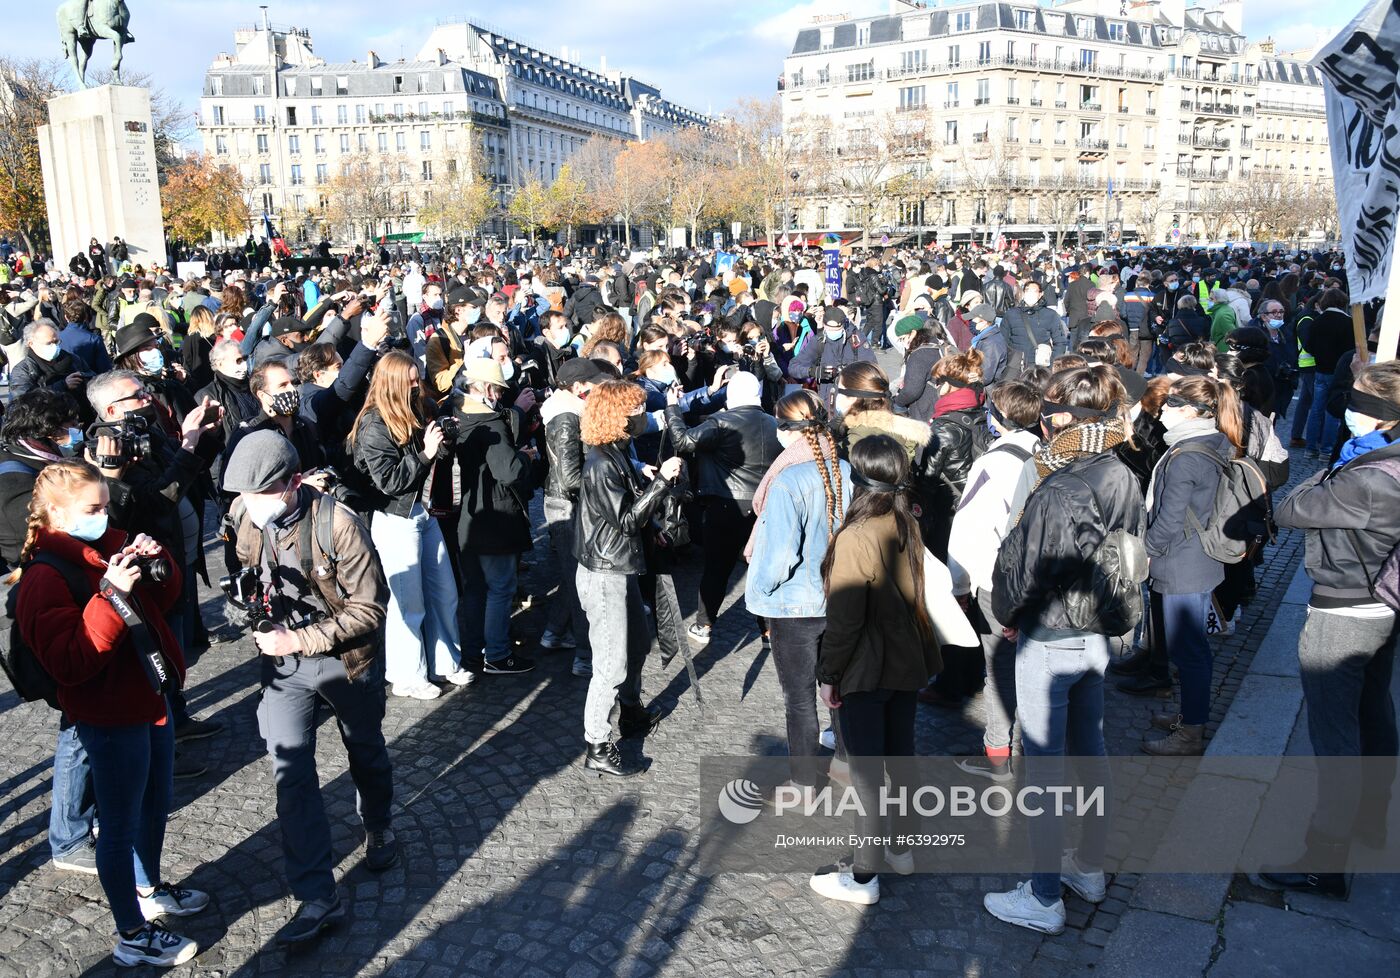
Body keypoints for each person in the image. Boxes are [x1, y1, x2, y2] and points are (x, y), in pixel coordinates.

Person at [17, 460, 208, 967]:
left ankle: (148, 886)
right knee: (119, 826)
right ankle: (130, 933)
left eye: (106, 506)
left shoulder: (106, 548)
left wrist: (157, 564)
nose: (104, 516)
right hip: (106, 713)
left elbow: (160, 603)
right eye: (92, 508)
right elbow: (70, 661)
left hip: (149, 697)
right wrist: (112, 594)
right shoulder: (44, 577)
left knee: (155, 803)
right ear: (56, 514)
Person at [224, 430, 397, 946]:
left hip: (346, 659)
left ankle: (380, 824)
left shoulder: (340, 525)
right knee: (291, 772)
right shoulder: (244, 515)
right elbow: (242, 568)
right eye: (243, 497)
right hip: (284, 668)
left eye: (262, 495)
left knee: (364, 747)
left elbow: (370, 608)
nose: (251, 508)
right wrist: (247, 603)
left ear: (293, 483)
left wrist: (298, 636)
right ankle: (317, 895)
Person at [985, 365, 1141, 935]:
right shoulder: (1120, 471)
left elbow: (1028, 573)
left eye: (1051, 413)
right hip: (1097, 632)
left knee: (1045, 768)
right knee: (1090, 750)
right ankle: (1089, 869)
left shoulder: (1060, 485)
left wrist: (1006, 613)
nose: (1045, 423)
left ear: (1068, 418)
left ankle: (1045, 894)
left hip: (1052, 636)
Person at [1265, 362, 1400, 897]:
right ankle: (1371, 819)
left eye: (1359, 404)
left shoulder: (1367, 476)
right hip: (1383, 605)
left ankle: (1325, 859)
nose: (1348, 411)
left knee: (1336, 737)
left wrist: (1332, 466)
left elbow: (1292, 507)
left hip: (1345, 610)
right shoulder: (1387, 464)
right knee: (1373, 715)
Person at [809, 435, 942, 906]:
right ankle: (902, 849)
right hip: (906, 660)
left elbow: (844, 621)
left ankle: (864, 878)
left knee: (867, 777)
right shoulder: (906, 521)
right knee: (900, 759)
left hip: (868, 667)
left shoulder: (855, 536)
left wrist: (828, 677)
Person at [574, 380, 685, 777]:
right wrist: (660, 483)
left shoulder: (619, 452)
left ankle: (632, 712)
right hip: (605, 573)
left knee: (637, 645)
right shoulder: (601, 463)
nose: (643, 414)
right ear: (619, 417)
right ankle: (597, 743)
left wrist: (652, 518)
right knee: (611, 663)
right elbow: (624, 520)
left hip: (620, 567)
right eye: (637, 409)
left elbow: (629, 515)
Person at [745, 391, 852, 796]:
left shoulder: (788, 478)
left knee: (800, 697)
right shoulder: (842, 467)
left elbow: (779, 555)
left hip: (794, 604)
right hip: (837, 596)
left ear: (786, 428)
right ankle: (844, 761)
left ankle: (806, 779)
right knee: (837, 687)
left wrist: (758, 591)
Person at [349, 351, 472, 700]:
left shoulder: (414, 409)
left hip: (422, 511)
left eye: (417, 378)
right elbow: (389, 481)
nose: (418, 385)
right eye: (411, 380)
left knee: (444, 591)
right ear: (392, 384)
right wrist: (426, 454)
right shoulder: (373, 425)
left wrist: (443, 443)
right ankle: (406, 675)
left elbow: (430, 459)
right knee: (409, 602)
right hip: (394, 518)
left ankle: (445, 661)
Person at [945, 380, 1044, 780]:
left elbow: (969, 527)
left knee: (998, 672)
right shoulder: (1044, 452)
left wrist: (959, 586)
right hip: (1036, 579)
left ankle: (999, 752)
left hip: (998, 580)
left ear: (999, 417)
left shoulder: (992, 462)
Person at [1140, 376, 1243, 756]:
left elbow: (1168, 520)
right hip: (1197, 558)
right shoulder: (1208, 440)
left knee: (1188, 651)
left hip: (1182, 562)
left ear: (1191, 411)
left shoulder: (1186, 457)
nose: (1162, 410)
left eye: (1170, 405)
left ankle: (1191, 731)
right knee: (1191, 648)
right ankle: (1189, 716)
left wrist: (1145, 552)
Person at [664, 369, 781, 648]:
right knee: (761, 568)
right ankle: (768, 630)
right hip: (765, 505)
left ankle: (704, 624)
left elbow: (682, 440)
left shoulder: (722, 422)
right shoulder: (776, 423)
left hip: (725, 504)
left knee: (717, 568)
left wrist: (671, 408)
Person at [452, 357, 537, 675]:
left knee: (475, 590)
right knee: (500, 588)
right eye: (499, 390)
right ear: (486, 388)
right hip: (497, 518)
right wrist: (525, 458)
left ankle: (474, 653)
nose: (501, 396)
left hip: (470, 517)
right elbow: (509, 471)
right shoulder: (491, 420)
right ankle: (498, 654)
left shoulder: (458, 413)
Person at [540, 357, 605, 676]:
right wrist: (602, 483)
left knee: (572, 575)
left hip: (564, 502)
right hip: (566, 505)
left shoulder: (566, 409)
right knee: (581, 581)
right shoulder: (567, 416)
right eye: (592, 384)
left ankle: (553, 633)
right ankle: (585, 655)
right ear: (579, 387)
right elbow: (569, 476)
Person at [1299, 289, 1354, 458]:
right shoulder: (1347, 322)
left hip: (1320, 369)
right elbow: (1351, 349)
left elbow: (1308, 345)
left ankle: (1310, 447)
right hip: (1337, 372)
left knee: (1316, 408)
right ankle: (1327, 448)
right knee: (1332, 411)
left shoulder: (1317, 321)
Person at [787, 306, 876, 407]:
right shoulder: (819, 341)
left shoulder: (856, 339)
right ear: (824, 325)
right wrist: (814, 371)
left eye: (837, 328)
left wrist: (851, 373)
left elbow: (872, 367)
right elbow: (793, 367)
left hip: (853, 396)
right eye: (829, 328)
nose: (833, 332)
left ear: (843, 325)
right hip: (828, 399)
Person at [9, 320, 87, 404]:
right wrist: (62, 385)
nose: (54, 346)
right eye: (49, 343)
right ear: (31, 343)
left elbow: (92, 378)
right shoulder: (23, 370)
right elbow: (23, 400)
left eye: (56, 342)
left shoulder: (73, 359)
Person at [1001, 278, 1065, 377]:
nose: (1030, 294)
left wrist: (1052, 364)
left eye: (1034, 291)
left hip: (1039, 367)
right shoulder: (1011, 313)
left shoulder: (1050, 314)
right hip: (1016, 366)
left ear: (1040, 294)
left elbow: (1060, 342)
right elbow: (1003, 340)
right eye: (1027, 290)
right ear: (1023, 293)